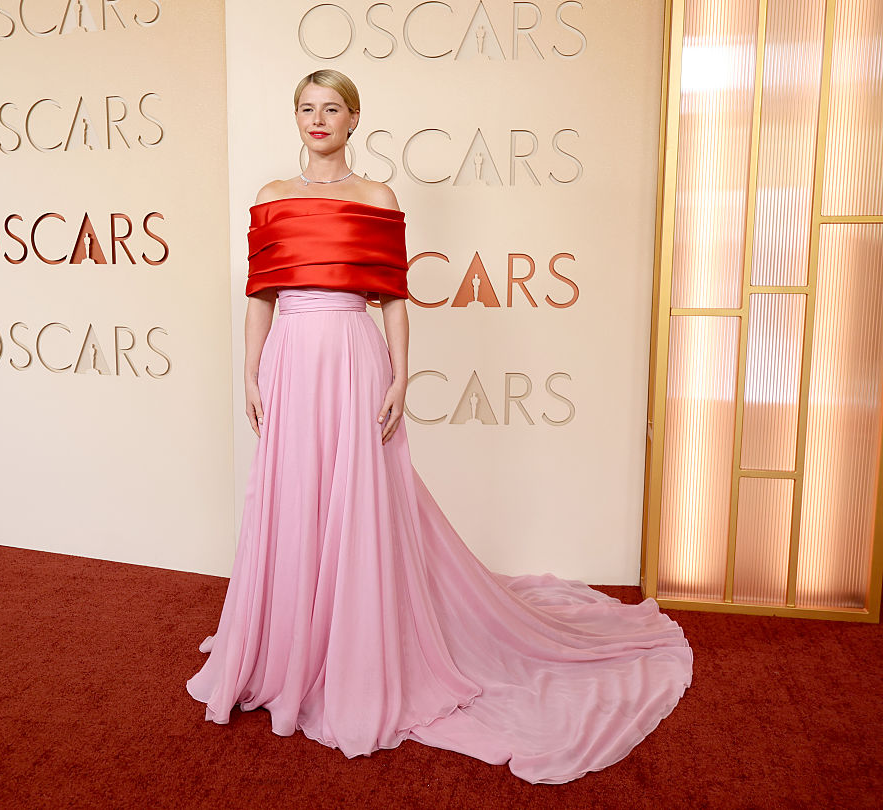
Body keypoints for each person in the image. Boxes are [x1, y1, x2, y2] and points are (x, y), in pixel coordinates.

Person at [186, 69, 693, 785]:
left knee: (360, 500)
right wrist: (249, 372)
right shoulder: (271, 198)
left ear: (355, 119)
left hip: (353, 356)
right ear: (294, 117)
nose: (318, 119)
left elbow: (393, 301)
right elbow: (260, 299)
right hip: (291, 360)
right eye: (307, 108)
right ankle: (286, 646)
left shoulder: (377, 197)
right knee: (293, 496)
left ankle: (356, 654)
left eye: (332, 108)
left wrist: (398, 376)